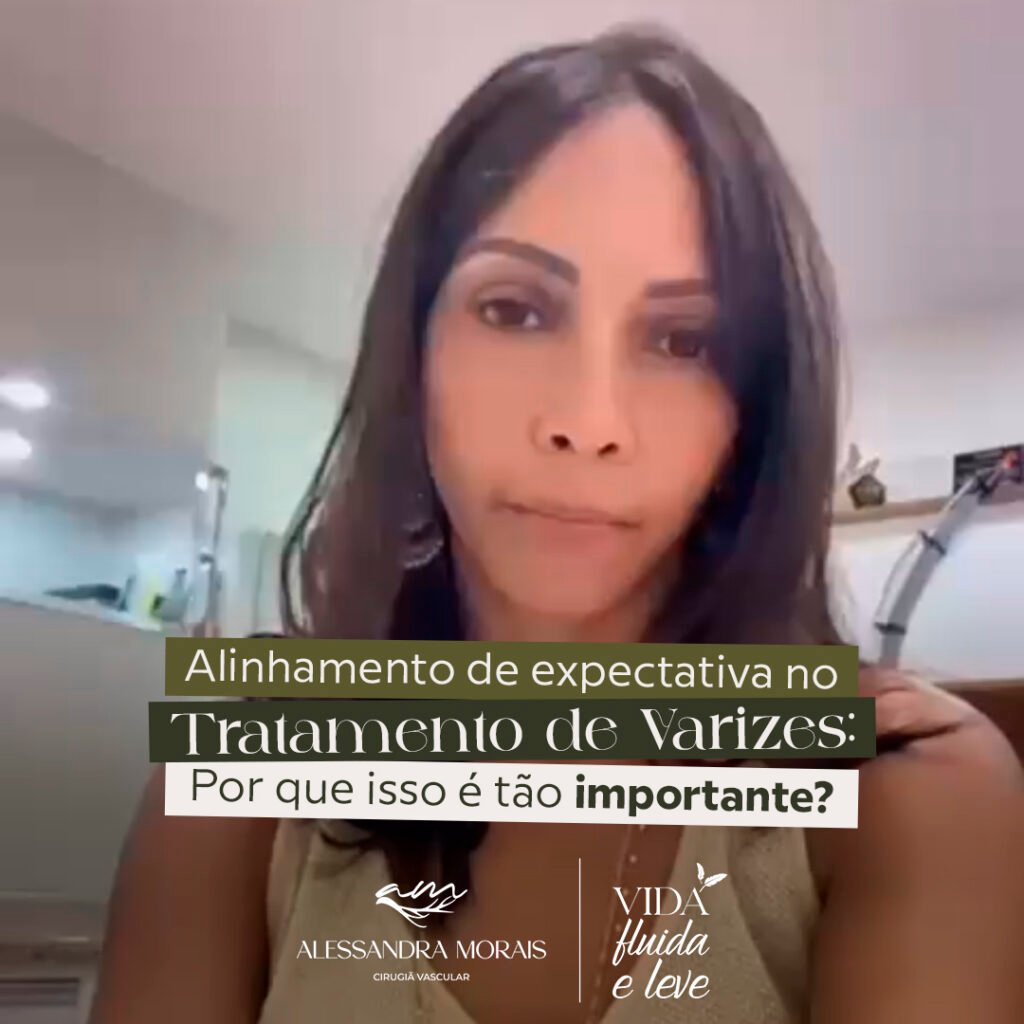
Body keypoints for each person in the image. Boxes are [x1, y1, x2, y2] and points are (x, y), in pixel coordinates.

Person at [90, 27, 1023, 1024]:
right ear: (414, 354)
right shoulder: (239, 785)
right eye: (515, 311)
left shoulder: (910, 795)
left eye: (683, 339)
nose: (588, 422)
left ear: (754, 407)